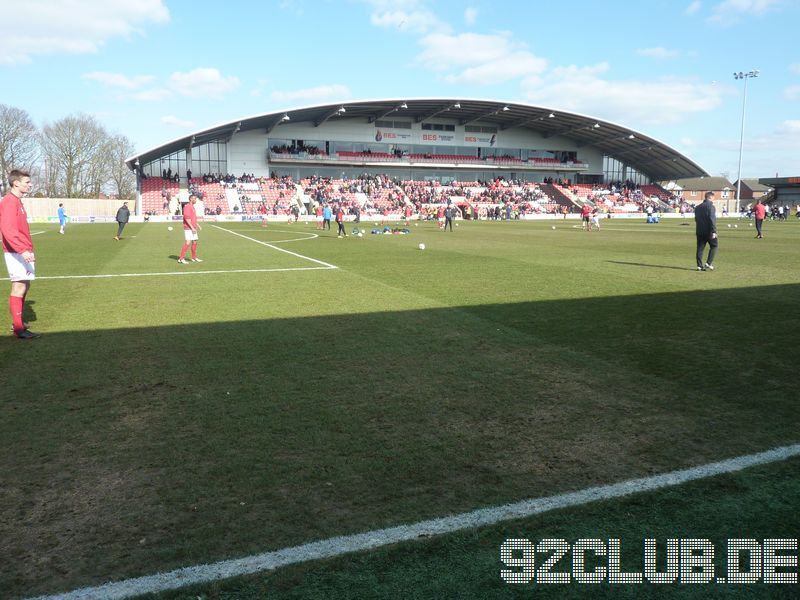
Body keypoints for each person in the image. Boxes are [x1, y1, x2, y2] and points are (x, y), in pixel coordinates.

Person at [0, 169, 39, 338]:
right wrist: (22, 250)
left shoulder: (17, 201)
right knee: (19, 285)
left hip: (23, 250)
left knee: (25, 284)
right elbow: (8, 229)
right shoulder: (9, 202)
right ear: (16, 183)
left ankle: (18, 323)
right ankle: (18, 329)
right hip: (16, 251)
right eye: (27, 182)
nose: (30, 185)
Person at [695, 191, 718, 271]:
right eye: (713, 197)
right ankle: (708, 263)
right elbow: (712, 219)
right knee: (714, 246)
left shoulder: (697, 207)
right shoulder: (711, 207)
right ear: (710, 197)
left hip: (699, 231)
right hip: (709, 231)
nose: (714, 199)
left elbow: (696, 219)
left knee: (700, 248)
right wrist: (714, 231)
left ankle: (699, 266)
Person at [178, 194, 202, 263]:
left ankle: (194, 257)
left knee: (195, 241)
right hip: (189, 228)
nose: (196, 200)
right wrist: (192, 227)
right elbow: (187, 218)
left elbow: (193, 218)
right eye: (194, 198)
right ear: (191, 199)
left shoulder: (192, 207)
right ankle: (181, 258)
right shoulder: (187, 207)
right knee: (188, 242)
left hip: (193, 227)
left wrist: (197, 225)